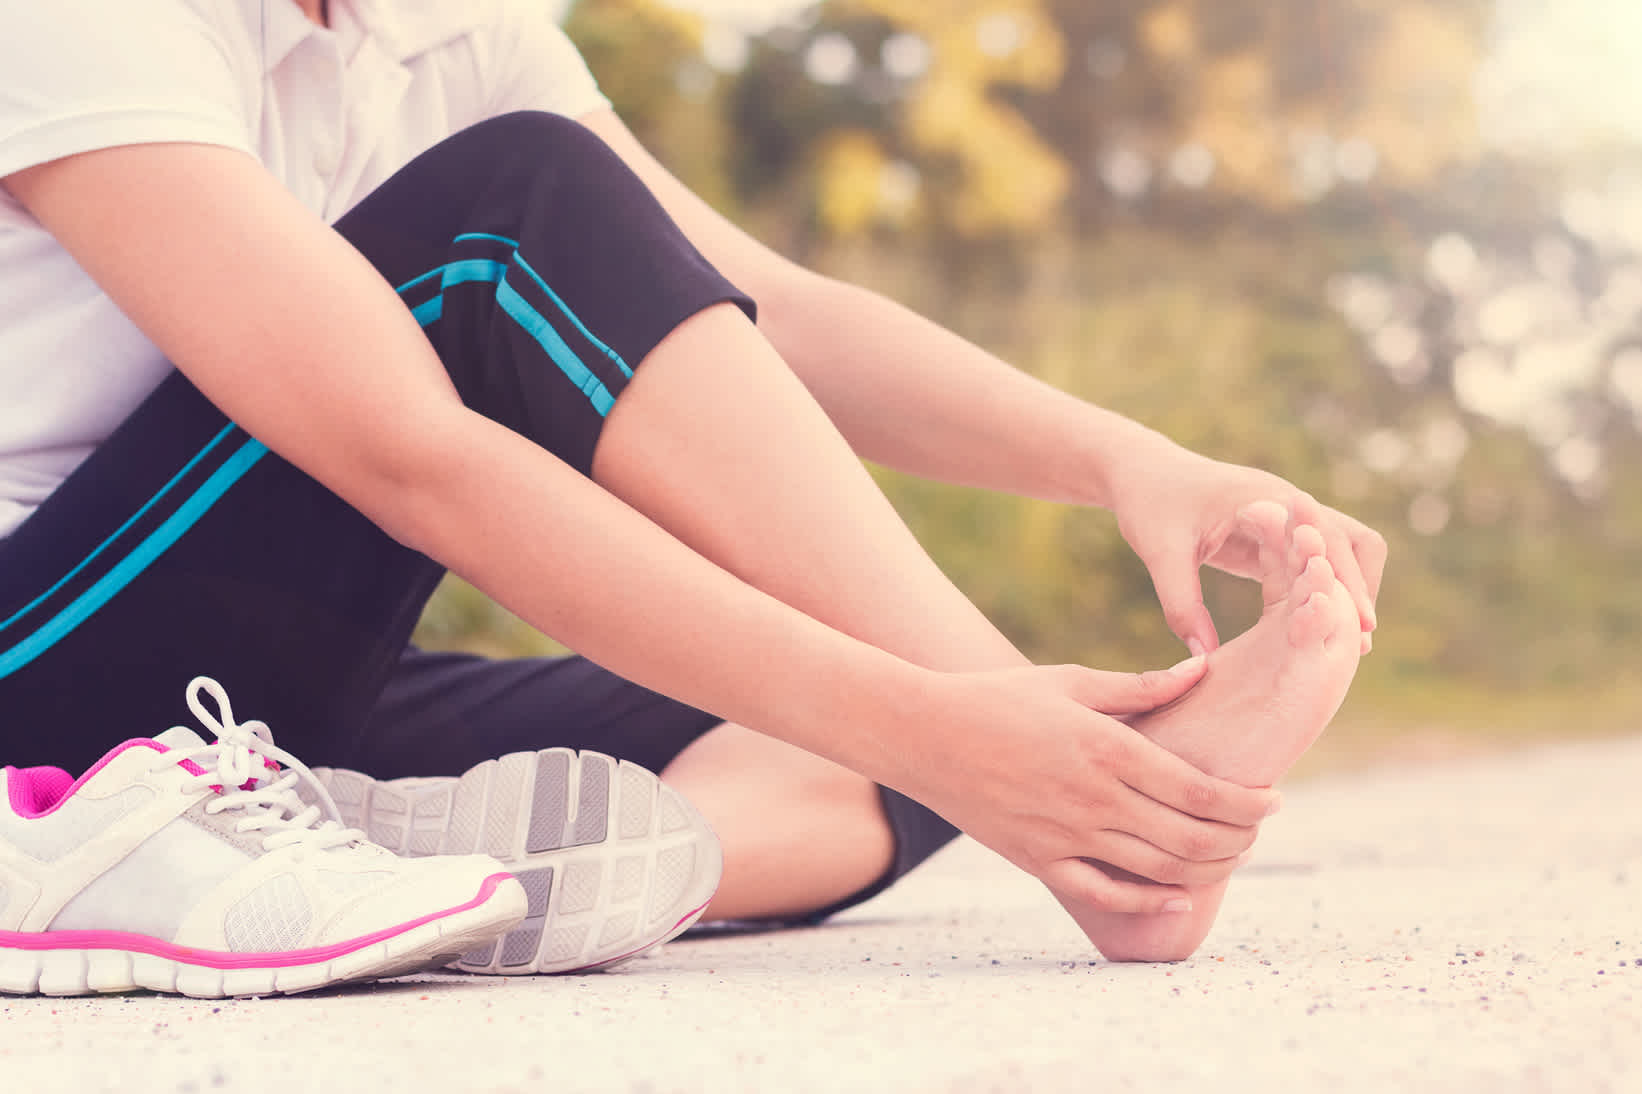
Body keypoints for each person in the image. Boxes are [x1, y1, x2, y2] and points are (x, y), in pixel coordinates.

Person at [0, 0, 1384, 992]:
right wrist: (958, 717)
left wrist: (1125, 459)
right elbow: (403, 451)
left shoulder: (436, 29)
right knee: (519, 209)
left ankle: (383, 868)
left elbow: (736, 307)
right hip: (32, 671)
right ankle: (1100, 817)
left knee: (857, 738)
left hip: (220, 684)